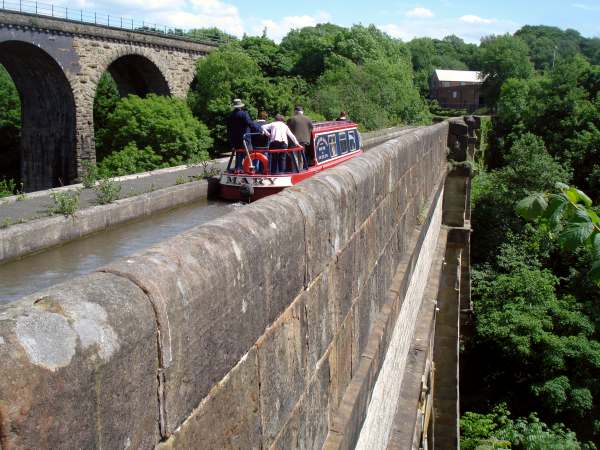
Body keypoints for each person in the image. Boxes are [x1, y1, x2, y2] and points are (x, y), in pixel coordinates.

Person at [226, 98, 261, 171]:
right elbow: (250, 124)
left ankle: (238, 169)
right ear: (240, 106)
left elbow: (229, 129)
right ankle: (249, 169)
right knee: (249, 153)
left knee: (239, 153)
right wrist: (259, 130)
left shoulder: (230, 115)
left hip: (235, 139)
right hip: (245, 138)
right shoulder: (244, 114)